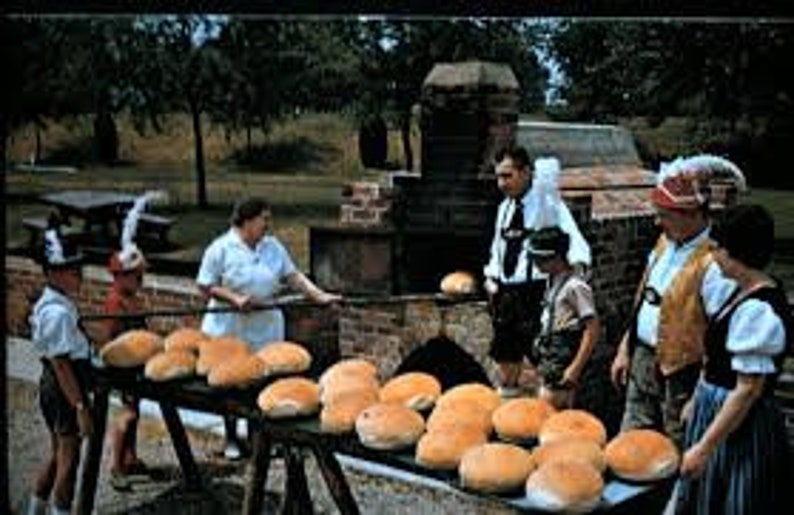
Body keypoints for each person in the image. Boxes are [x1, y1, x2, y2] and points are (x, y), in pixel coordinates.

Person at [610, 154, 746, 449]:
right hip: (643, 359)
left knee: (680, 444)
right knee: (631, 441)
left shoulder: (713, 263)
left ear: (692, 214)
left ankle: (676, 496)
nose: (658, 222)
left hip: (684, 372)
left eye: (665, 215)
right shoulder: (663, 244)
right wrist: (625, 348)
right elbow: (643, 300)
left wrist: (699, 396)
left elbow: (719, 337)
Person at [196, 196, 342, 459]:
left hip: (265, 326)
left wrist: (319, 296)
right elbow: (205, 285)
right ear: (248, 221)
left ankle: (259, 438)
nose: (268, 224)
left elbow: (293, 276)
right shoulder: (220, 248)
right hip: (230, 327)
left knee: (263, 384)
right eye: (264, 219)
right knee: (232, 384)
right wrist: (234, 298)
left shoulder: (272, 246)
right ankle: (231, 438)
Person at [675, 204, 792, 514]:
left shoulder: (758, 310)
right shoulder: (738, 292)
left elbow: (748, 390)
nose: (712, 256)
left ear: (735, 252)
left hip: (739, 422)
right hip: (714, 408)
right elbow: (715, 357)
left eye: (717, 248)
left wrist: (703, 449)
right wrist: (697, 398)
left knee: (734, 497)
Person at [483, 145, 591, 398]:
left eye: (507, 176)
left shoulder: (548, 205)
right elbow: (498, 248)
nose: (501, 183)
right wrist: (491, 277)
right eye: (498, 176)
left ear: (526, 172)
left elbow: (574, 242)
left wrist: (573, 278)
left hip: (537, 292)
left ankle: (554, 418)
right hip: (506, 295)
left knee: (548, 364)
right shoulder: (504, 208)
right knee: (506, 358)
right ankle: (508, 409)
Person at [26, 216, 93, 515]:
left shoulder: (55, 301)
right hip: (65, 388)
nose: (80, 274)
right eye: (73, 269)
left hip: (55, 386)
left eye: (80, 267)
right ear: (53, 273)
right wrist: (80, 408)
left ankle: (34, 509)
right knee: (69, 460)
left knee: (56, 455)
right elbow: (62, 364)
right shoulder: (58, 313)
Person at [96, 191, 157, 491]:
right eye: (135, 276)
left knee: (134, 412)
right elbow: (110, 340)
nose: (140, 280)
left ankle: (130, 457)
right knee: (126, 414)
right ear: (120, 276)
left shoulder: (131, 299)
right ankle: (116, 466)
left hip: (135, 365)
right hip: (121, 366)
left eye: (141, 276)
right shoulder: (115, 303)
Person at [529, 226, 600, 409]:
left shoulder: (575, 287)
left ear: (556, 257)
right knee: (546, 404)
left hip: (563, 350)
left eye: (540, 260)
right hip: (550, 348)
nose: (536, 265)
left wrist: (575, 368)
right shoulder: (551, 279)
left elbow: (592, 329)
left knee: (550, 407)